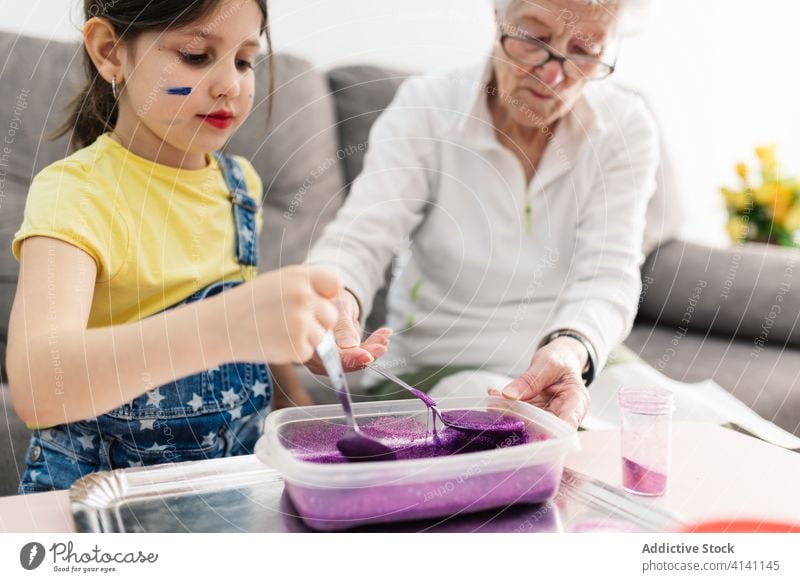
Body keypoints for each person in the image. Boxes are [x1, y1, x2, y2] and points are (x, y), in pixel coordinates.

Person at [6, 0, 389, 493]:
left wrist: (305, 362)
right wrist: (228, 323)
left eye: (245, 60)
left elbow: (250, 342)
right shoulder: (75, 194)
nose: (230, 82)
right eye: (194, 54)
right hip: (103, 498)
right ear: (109, 52)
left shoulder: (239, 185)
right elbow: (41, 385)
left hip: (224, 488)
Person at [308, 0, 658, 429]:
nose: (554, 75)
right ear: (498, 17)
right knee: (526, 434)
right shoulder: (429, 106)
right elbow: (360, 239)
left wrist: (572, 347)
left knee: (686, 430)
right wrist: (331, 303)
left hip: (570, 357)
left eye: (585, 50)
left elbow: (610, 271)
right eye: (534, 39)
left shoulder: (625, 125)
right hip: (441, 365)